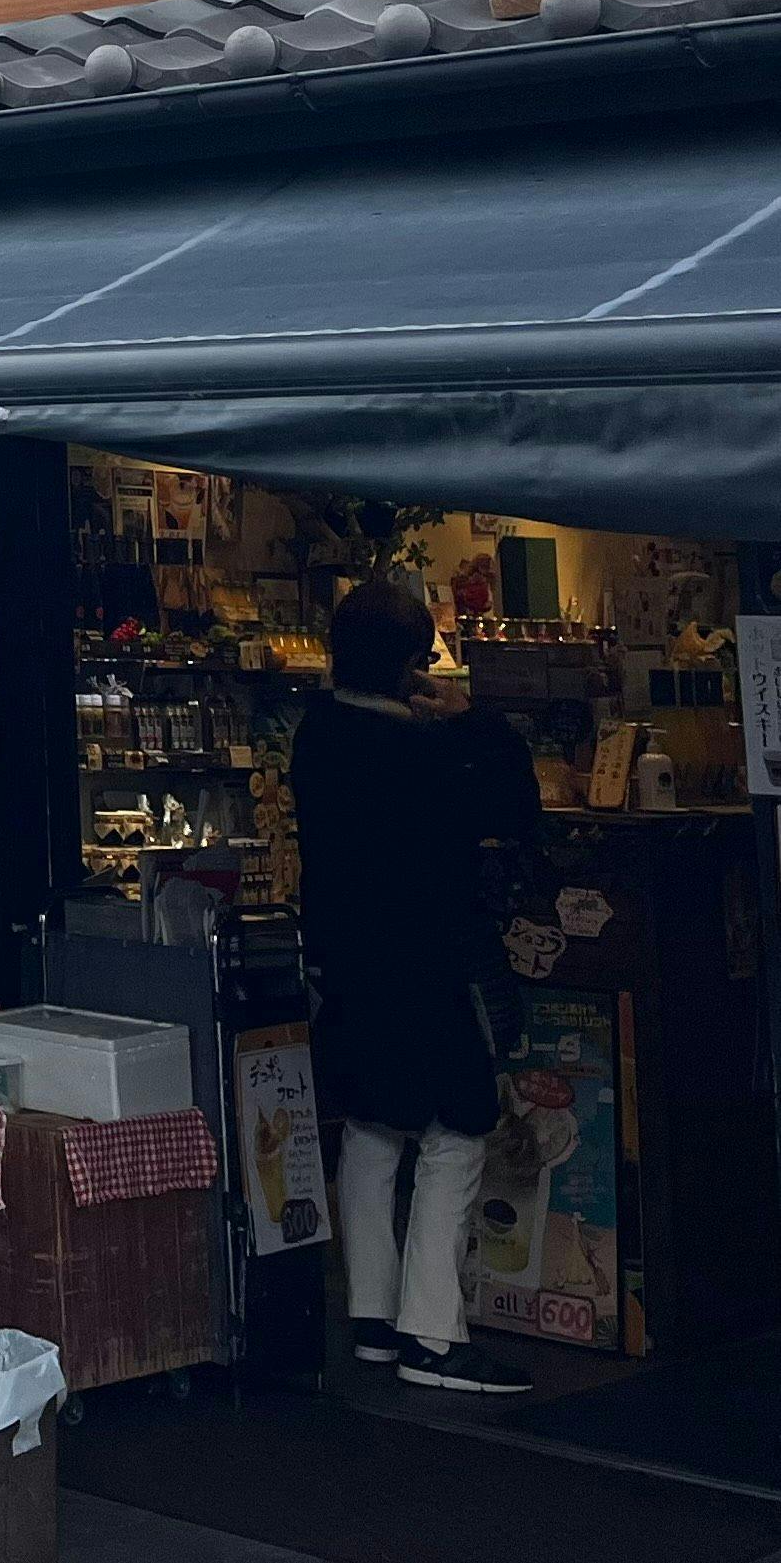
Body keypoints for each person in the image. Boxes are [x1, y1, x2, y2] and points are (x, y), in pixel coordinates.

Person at [290, 578, 539, 1396]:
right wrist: (472, 717)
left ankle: (368, 1316)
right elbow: (511, 805)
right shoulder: (422, 754)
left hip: (345, 963)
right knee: (457, 1129)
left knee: (371, 1124)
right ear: (408, 663)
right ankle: (431, 1333)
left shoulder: (316, 733)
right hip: (425, 964)